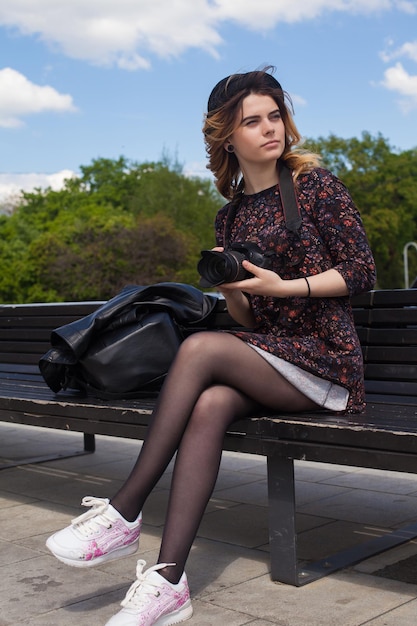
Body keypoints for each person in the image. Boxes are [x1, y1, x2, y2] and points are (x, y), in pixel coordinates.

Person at [46, 67, 376, 626]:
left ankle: (125, 511)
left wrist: (284, 286)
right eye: (253, 120)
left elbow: (362, 272)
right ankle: (169, 581)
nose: (270, 128)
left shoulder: (317, 188)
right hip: (270, 358)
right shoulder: (231, 215)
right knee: (209, 404)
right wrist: (234, 290)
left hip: (327, 364)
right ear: (227, 135)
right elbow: (249, 315)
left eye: (275, 116)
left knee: (201, 350)